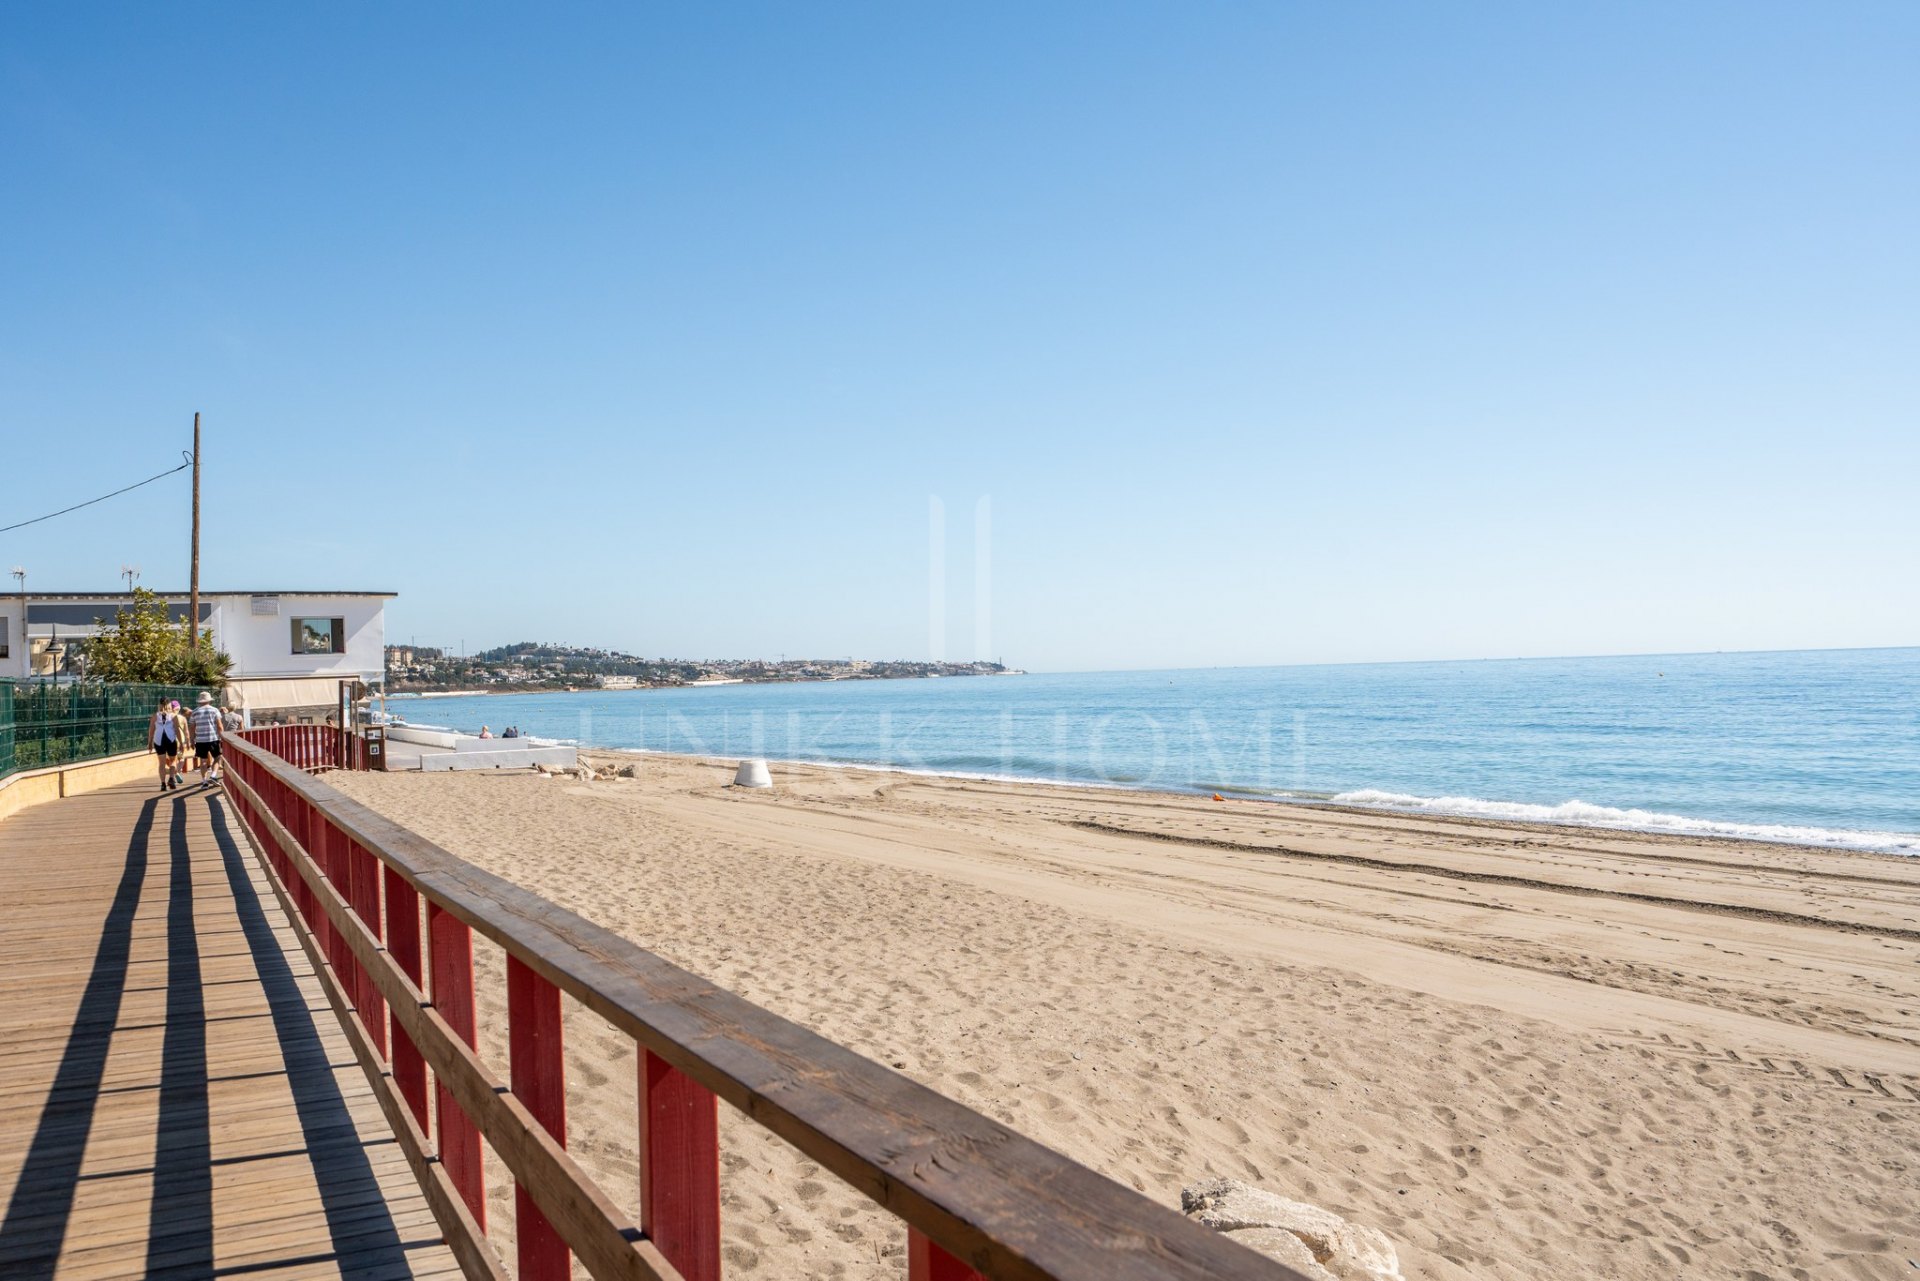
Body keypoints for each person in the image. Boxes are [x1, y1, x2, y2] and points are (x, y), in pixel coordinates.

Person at [189, 691, 225, 786]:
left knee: (203, 761)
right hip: (213, 738)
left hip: (200, 740)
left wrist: (191, 740)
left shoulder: (194, 712)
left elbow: (192, 727)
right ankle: (213, 775)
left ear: (200, 701)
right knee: (217, 758)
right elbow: (219, 726)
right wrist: (222, 737)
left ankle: (204, 782)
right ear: (209, 700)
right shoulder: (215, 710)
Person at [151, 699, 179, 791]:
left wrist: (149, 743)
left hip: (159, 740)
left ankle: (163, 784)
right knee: (173, 760)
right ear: (169, 705)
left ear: (159, 705)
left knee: (162, 763)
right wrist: (182, 743)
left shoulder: (155, 716)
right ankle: (171, 778)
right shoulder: (173, 716)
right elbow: (177, 730)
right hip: (170, 739)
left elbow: (151, 730)